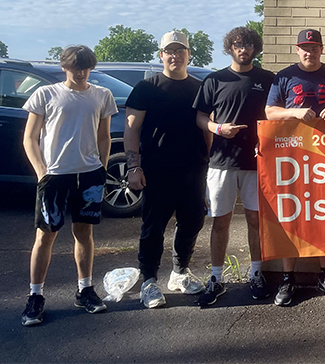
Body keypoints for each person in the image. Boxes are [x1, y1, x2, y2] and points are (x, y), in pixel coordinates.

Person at [20, 46, 117, 326]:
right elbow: (30, 138)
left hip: (88, 176)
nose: (81, 72)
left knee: (83, 234)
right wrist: (42, 173)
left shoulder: (102, 95)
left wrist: (101, 167)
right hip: (55, 176)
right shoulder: (45, 94)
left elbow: (104, 137)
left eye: (86, 67)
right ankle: (35, 296)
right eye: (76, 67)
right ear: (64, 67)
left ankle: (85, 290)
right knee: (45, 236)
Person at [124, 31, 210, 308]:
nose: (175, 56)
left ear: (188, 54)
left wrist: (209, 161)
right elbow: (131, 129)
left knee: (194, 219)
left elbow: (206, 126)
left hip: (193, 167)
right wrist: (133, 166)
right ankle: (149, 281)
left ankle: (179, 272)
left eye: (180, 50)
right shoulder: (146, 88)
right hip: (157, 169)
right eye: (169, 51)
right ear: (161, 55)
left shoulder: (200, 88)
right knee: (153, 227)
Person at [265, 29, 325, 305]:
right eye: (304, 48)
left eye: (314, 48)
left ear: (321, 49)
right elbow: (269, 112)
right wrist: (295, 112)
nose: (309, 52)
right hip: (292, 153)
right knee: (291, 213)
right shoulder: (284, 76)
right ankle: (288, 278)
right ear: (297, 50)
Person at [193, 26, 275, 306]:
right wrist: (218, 128)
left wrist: (267, 142)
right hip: (221, 162)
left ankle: (256, 273)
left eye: (249, 45)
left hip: (256, 163)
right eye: (238, 45)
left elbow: (276, 118)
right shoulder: (215, 80)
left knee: (255, 221)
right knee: (221, 221)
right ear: (230, 47)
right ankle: (216, 278)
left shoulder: (268, 79)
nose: (244, 49)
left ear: (255, 48)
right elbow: (201, 117)